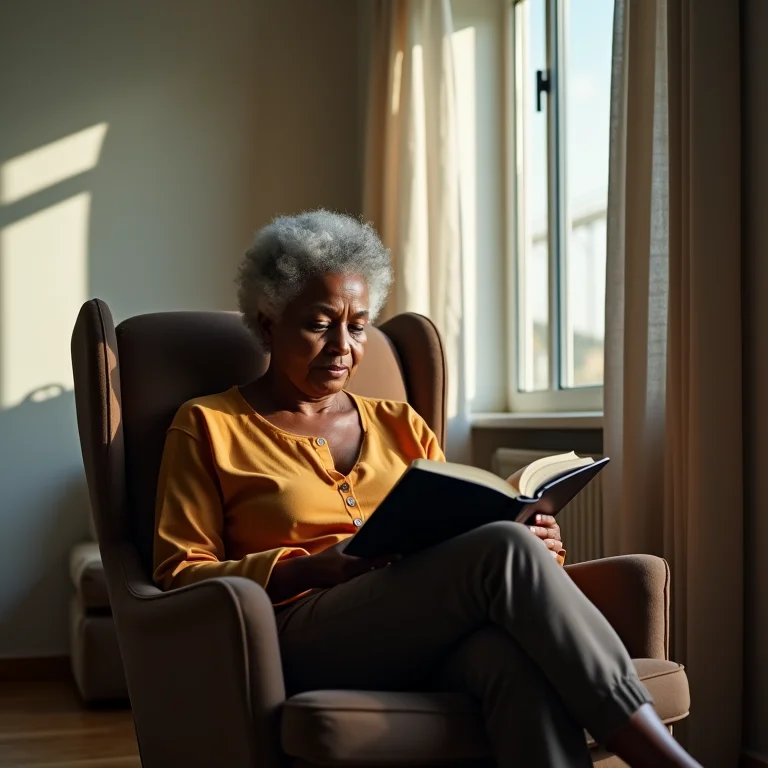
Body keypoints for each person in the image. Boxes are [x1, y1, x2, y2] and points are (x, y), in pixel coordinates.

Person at [153, 210, 701, 768]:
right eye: (320, 323)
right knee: (500, 555)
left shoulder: (401, 422)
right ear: (268, 323)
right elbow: (178, 572)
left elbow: (461, 533)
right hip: (297, 635)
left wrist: (535, 543)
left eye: (359, 325)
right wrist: (313, 566)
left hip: (420, 626)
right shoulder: (207, 425)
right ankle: (663, 758)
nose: (343, 346)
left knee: (509, 662)